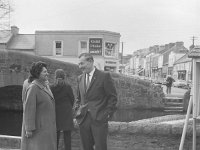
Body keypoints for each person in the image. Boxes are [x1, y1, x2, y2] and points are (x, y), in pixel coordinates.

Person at [74, 53, 118, 150]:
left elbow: (112, 97)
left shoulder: (104, 76)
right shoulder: (80, 78)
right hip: (83, 120)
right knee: (86, 147)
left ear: (90, 62)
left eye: (82, 63)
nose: (80, 66)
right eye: (79, 64)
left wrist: (107, 114)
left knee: (100, 147)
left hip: (99, 119)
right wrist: (77, 111)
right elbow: (78, 98)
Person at [21, 61, 57, 150]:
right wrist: (29, 129)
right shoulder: (33, 87)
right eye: (44, 72)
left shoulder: (44, 85)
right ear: (38, 73)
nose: (47, 73)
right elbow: (29, 109)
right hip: (39, 130)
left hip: (47, 127)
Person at [50, 69, 75, 150]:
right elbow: (72, 99)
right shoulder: (67, 87)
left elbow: (50, 100)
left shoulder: (52, 87)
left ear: (55, 77)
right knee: (67, 135)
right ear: (64, 77)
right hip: (67, 113)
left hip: (56, 112)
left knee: (56, 135)